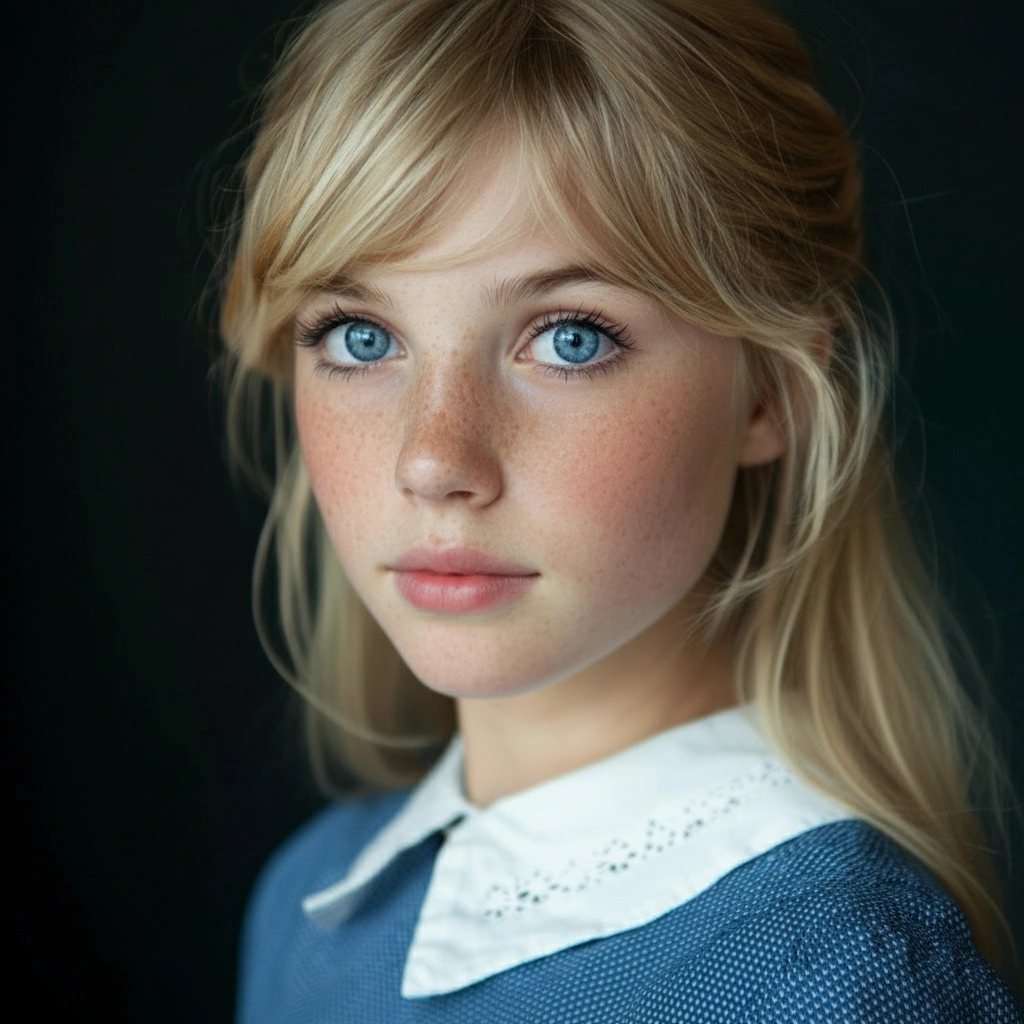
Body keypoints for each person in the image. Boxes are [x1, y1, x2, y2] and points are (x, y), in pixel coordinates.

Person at [218, 0, 1022, 1019]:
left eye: (567, 338)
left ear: (769, 392)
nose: (432, 459)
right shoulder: (310, 909)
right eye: (361, 337)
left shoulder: (837, 973)